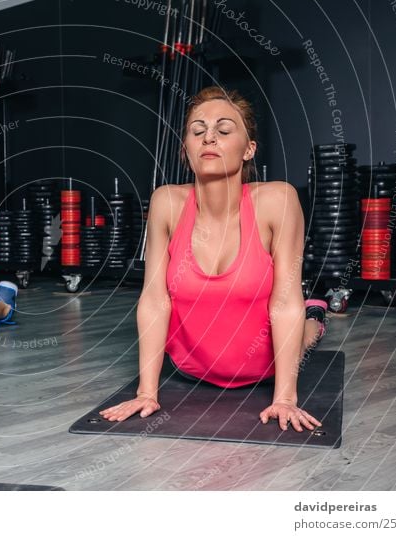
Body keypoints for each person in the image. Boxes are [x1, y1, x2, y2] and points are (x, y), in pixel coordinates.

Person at [100, 86, 327, 432]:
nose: (208, 138)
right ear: (185, 150)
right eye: (197, 131)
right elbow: (154, 298)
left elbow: (283, 299)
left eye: (223, 131)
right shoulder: (167, 203)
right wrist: (146, 391)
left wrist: (284, 398)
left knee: (304, 335)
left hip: (262, 366)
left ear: (249, 148)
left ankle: (316, 316)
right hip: (193, 368)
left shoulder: (278, 200)